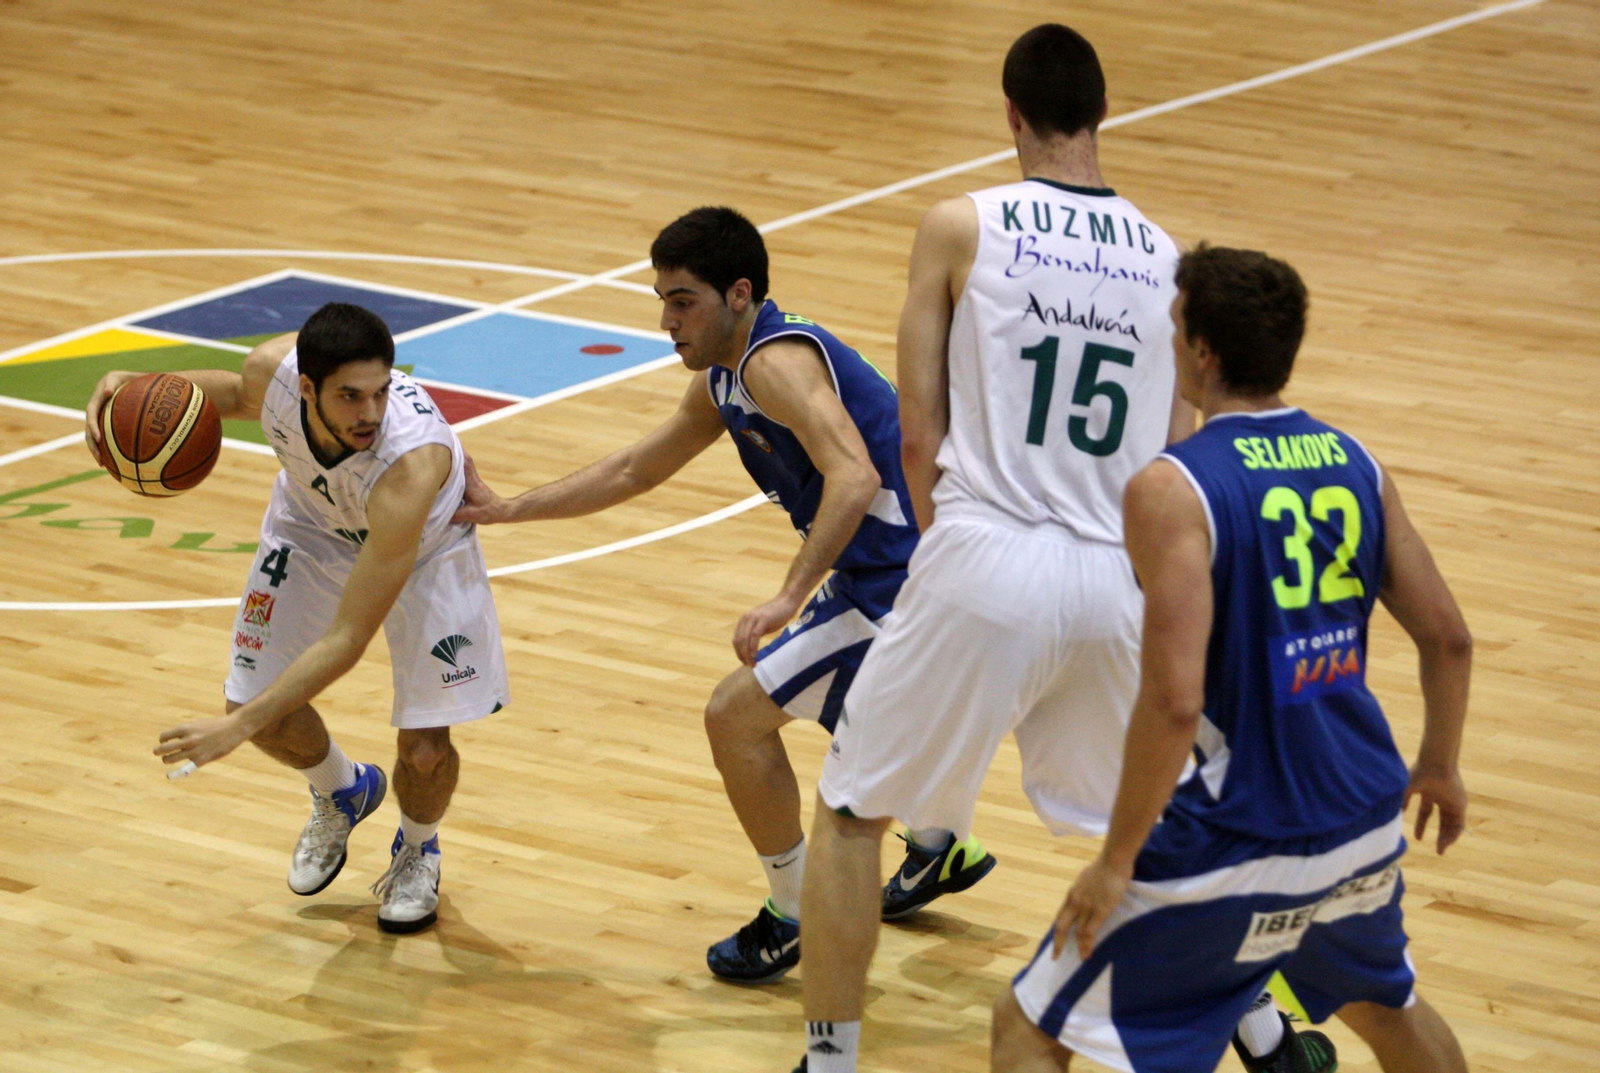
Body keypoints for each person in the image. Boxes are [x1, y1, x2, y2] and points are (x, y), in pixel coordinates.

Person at [792, 26, 1331, 1073]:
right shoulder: (1174, 262)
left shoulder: (958, 225)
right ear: (1101, 114)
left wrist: (956, 552)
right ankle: (1261, 1026)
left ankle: (830, 1058)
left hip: (987, 554)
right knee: (1145, 831)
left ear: (1009, 113)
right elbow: (1184, 450)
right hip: (1115, 575)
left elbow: (915, 427)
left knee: (854, 809)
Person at [454, 206, 995, 984]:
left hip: (910, 583)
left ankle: (795, 910)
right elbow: (634, 469)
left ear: (740, 294)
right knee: (865, 719)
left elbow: (855, 477)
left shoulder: (776, 364)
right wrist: (506, 508)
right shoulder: (724, 377)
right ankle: (943, 845)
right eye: (663, 301)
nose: (669, 320)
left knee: (734, 716)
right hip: (899, 572)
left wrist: (785, 598)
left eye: (684, 301)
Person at [993, 244, 1473, 1072]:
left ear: (1204, 351)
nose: (1169, 342)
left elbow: (1175, 702)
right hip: (1361, 813)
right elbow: (1450, 637)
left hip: (1237, 830)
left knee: (1028, 1026)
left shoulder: (1172, 487)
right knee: (1385, 1006)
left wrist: (1115, 861)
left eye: (1176, 328)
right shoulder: (1357, 461)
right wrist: (1440, 764)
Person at [85, 302, 510, 934]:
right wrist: (129, 383)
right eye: (349, 396)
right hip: (310, 527)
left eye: (380, 393)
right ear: (305, 388)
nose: (369, 413)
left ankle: (418, 850)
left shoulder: (409, 467)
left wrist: (235, 733)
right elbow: (223, 394)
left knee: (422, 750)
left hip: (422, 547)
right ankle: (343, 790)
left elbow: (348, 636)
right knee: (255, 704)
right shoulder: (273, 374)